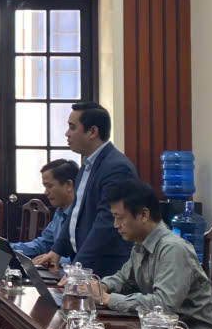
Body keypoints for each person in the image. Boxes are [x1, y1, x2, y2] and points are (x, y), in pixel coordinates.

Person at [91, 181, 212, 329]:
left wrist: (108, 299)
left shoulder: (173, 249)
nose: (116, 225)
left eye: (120, 218)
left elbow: (163, 305)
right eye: (114, 218)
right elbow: (124, 278)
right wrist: (101, 287)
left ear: (143, 215)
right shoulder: (141, 243)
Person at [34, 103, 137, 278]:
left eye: (72, 127)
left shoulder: (116, 167)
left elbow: (106, 224)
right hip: (84, 265)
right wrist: (56, 251)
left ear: (92, 132)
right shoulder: (87, 164)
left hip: (105, 269)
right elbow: (75, 212)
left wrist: (79, 267)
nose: (67, 133)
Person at [6, 159, 78, 264]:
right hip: (55, 270)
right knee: (0, 263)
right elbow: (42, 244)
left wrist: (52, 259)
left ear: (68, 185)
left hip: (69, 272)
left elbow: (81, 258)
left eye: (50, 186)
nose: (45, 192)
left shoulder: (84, 215)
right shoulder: (59, 212)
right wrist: (8, 248)